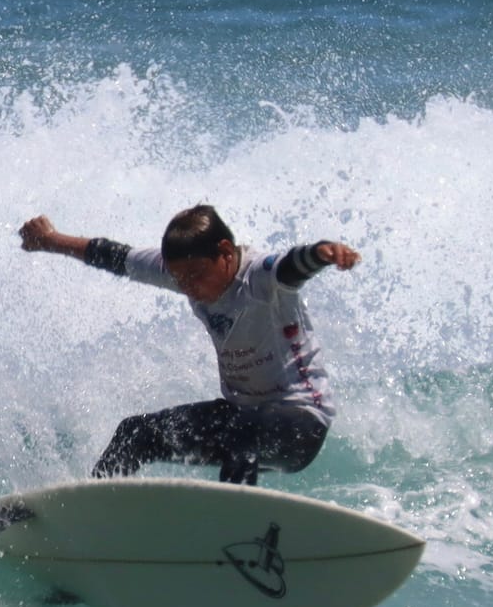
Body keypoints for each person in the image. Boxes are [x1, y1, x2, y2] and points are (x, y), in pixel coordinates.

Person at [18, 204, 361, 485]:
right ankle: (93, 512)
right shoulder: (182, 270)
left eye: (196, 276)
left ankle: (234, 532)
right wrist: (49, 239)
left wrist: (321, 254)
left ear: (225, 253)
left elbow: (290, 266)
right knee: (135, 433)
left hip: (300, 424)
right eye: (181, 280)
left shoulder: (258, 277)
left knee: (243, 437)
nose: (189, 287)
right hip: (243, 417)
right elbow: (113, 256)